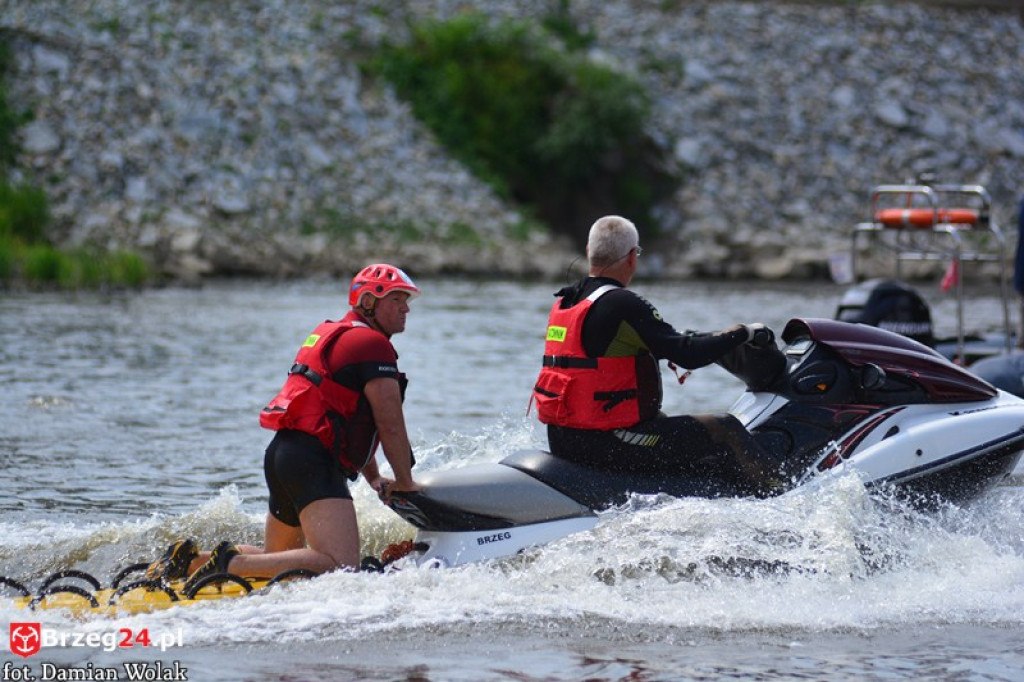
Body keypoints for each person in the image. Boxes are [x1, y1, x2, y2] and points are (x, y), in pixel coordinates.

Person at [146, 264, 421, 587]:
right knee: (341, 566)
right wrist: (406, 481)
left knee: (278, 560)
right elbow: (389, 423)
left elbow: (343, 416)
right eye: (396, 299)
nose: (405, 308)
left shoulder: (338, 334)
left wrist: (373, 476)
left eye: (406, 301)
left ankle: (190, 561)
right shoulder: (373, 345)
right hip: (312, 463)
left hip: (285, 455)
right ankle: (229, 563)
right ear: (368, 302)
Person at [532, 215, 778, 494]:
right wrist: (742, 332)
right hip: (608, 443)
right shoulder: (622, 303)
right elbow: (688, 355)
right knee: (726, 429)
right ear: (631, 258)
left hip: (564, 439)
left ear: (590, 253)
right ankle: (780, 495)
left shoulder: (567, 302)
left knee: (680, 434)